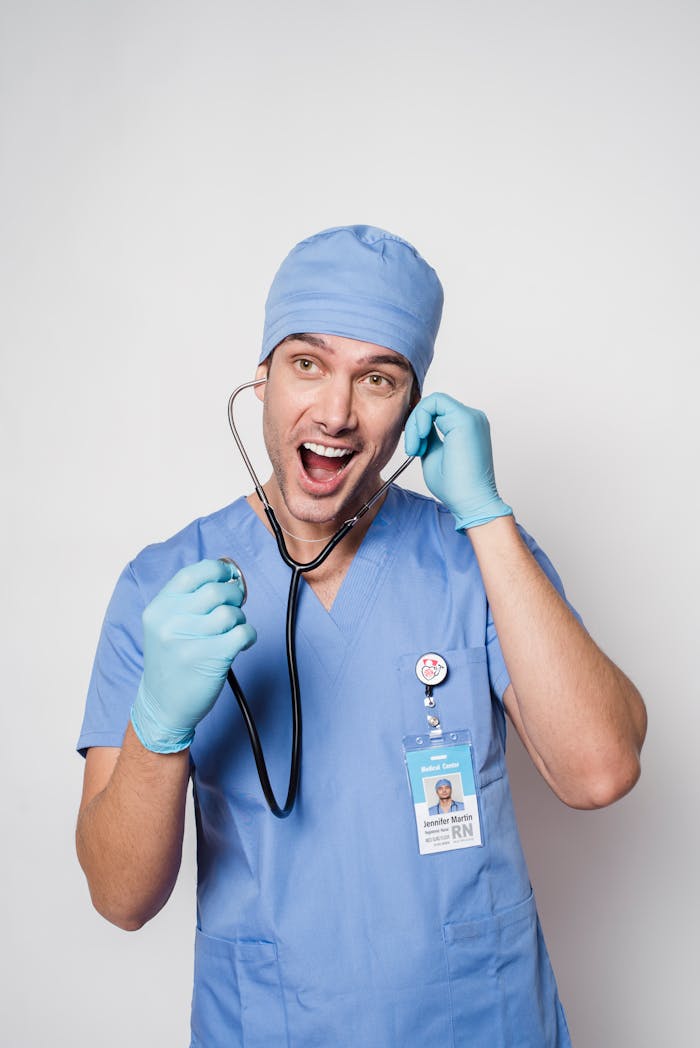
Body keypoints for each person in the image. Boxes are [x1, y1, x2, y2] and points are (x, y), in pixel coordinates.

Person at [76, 224, 647, 1047]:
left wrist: (486, 518)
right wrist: (157, 728)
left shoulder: (473, 560)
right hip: (273, 1024)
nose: (336, 413)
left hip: (480, 1025)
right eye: (307, 365)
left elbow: (600, 772)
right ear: (263, 378)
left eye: (377, 379)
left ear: (412, 407)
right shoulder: (163, 586)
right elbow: (119, 897)